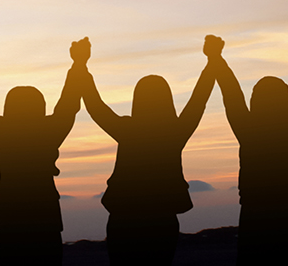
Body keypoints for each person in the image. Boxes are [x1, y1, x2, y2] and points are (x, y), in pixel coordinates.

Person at [80, 36, 217, 266]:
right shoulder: (175, 132)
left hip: (124, 219)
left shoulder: (128, 129)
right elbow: (198, 100)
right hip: (161, 220)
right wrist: (212, 62)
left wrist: (81, 66)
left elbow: (95, 106)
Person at [0, 37, 86, 266]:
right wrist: (78, 64)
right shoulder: (49, 132)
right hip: (45, 224)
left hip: (10, 224)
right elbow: (68, 104)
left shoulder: (2, 135)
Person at [212, 32, 288, 265]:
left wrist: (216, 58)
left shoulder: (248, 130)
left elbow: (231, 92)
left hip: (257, 219)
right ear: (287, 100)